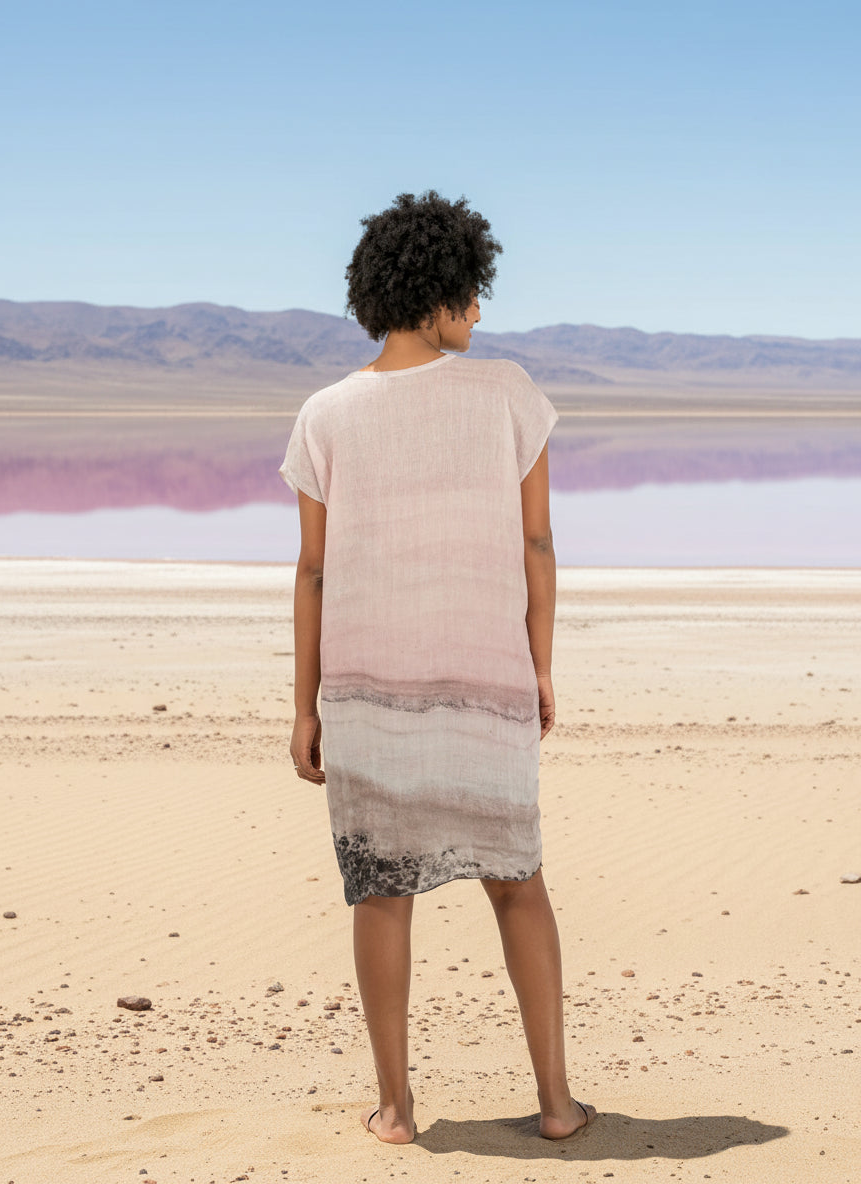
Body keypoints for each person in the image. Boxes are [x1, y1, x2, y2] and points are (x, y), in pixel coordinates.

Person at [279, 189, 596, 1145]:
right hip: (487, 680)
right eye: (470, 291)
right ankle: (555, 1105)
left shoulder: (326, 413)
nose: (479, 311)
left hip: (366, 690)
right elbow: (537, 548)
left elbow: (315, 570)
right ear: (435, 292)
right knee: (518, 882)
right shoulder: (509, 391)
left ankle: (398, 1110)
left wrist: (304, 708)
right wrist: (539, 668)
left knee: (381, 889)